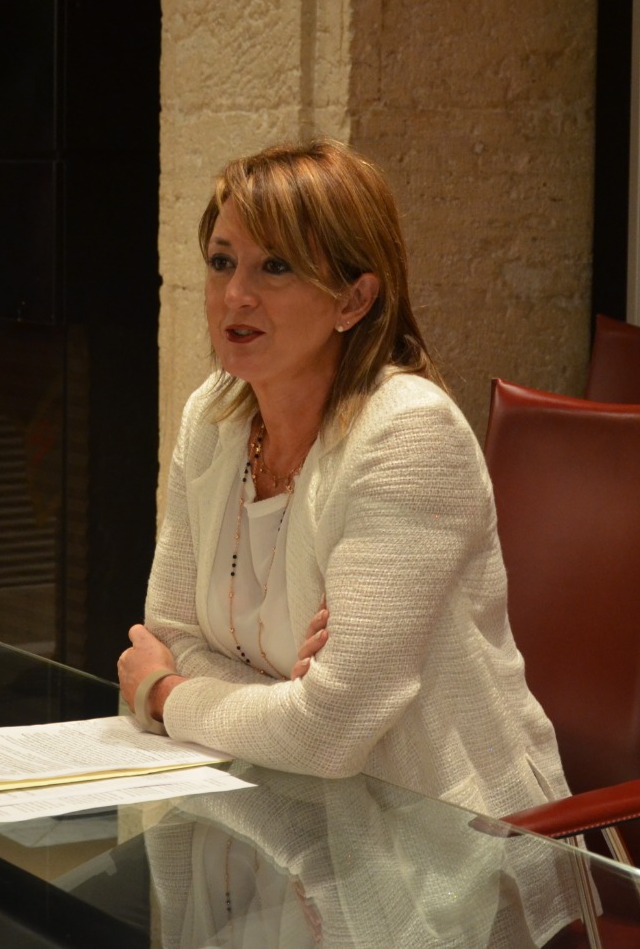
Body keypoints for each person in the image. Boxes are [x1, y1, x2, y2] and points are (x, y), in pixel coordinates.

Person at [118, 139, 568, 818]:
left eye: (275, 266)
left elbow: (328, 733)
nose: (235, 295)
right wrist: (282, 703)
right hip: (272, 812)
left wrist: (166, 694)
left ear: (354, 300)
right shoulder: (212, 418)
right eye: (221, 261)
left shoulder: (408, 434)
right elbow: (170, 633)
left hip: (441, 841)